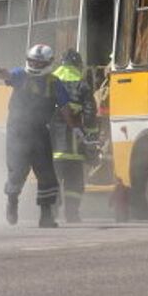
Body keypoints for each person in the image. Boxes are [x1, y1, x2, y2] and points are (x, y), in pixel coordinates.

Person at [0, 44, 81, 228]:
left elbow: (66, 109)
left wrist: (75, 128)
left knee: (47, 175)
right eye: (32, 62)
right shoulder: (22, 75)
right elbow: (8, 75)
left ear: (49, 63)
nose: (35, 66)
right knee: (18, 171)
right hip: (18, 131)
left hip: (40, 132)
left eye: (39, 63)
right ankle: (12, 201)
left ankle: (46, 217)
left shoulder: (55, 83)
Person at [50, 49, 98, 223]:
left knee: (52, 181)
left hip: (52, 146)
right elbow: (90, 113)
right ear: (78, 65)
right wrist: (92, 138)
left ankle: (51, 212)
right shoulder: (82, 84)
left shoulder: (50, 81)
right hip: (75, 146)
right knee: (74, 183)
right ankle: (72, 213)